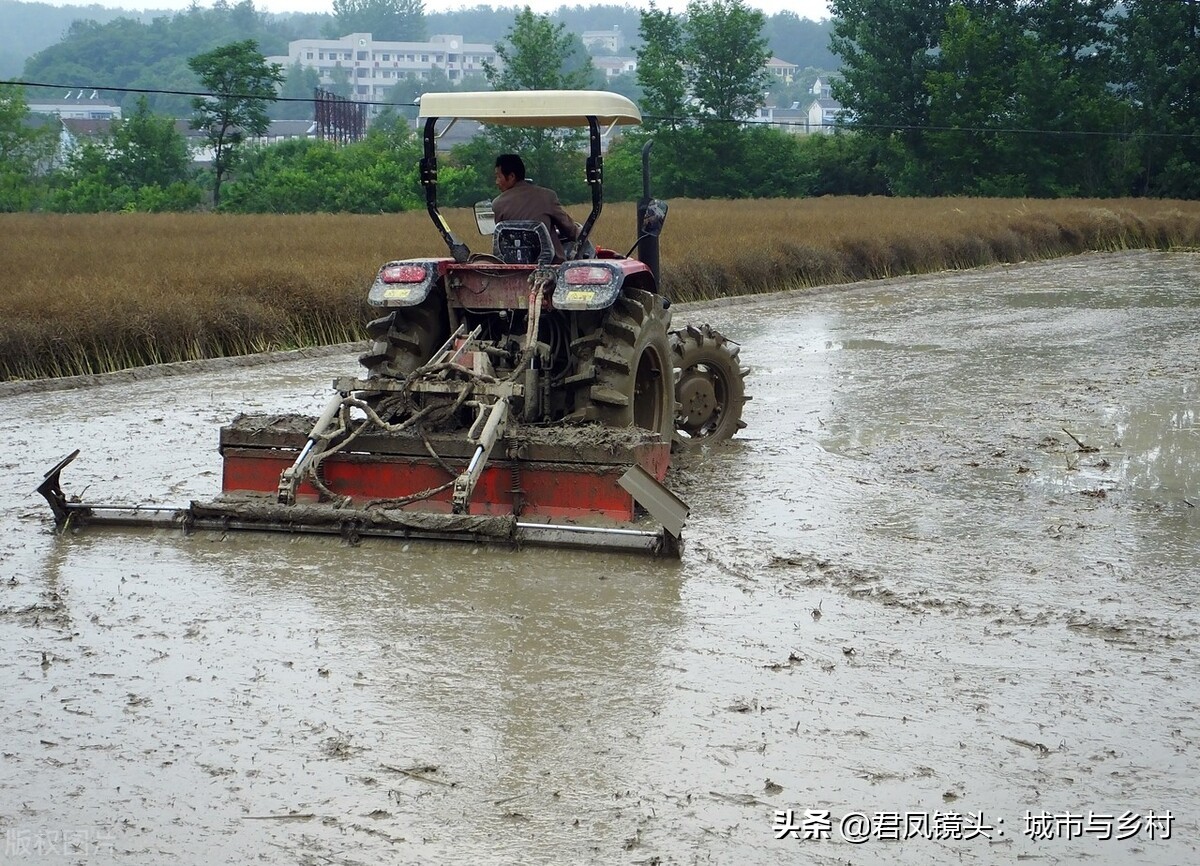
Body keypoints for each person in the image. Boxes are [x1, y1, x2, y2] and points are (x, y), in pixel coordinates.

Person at [492, 154, 579, 262]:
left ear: (511, 177)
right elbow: (570, 230)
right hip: (550, 267)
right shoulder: (547, 196)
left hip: (512, 269)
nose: (496, 182)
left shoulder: (497, 204)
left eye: (498, 177)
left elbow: (502, 240)